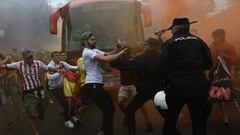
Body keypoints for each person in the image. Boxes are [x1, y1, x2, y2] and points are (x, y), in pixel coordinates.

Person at [158, 18, 212, 135]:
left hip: (177, 87)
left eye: (172, 29)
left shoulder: (168, 44)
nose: (171, 31)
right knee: (199, 122)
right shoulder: (200, 41)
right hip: (198, 87)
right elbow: (209, 64)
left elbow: (161, 68)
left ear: (176, 28)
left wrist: (168, 79)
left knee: (171, 120)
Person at [110, 37, 164, 135]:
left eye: (146, 44)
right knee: (165, 112)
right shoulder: (161, 56)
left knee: (130, 110)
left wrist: (111, 61)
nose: (144, 45)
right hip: (158, 89)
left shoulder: (142, 58)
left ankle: (132, 132)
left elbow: (125, 65)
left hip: (146, 90)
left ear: (151, 47)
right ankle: (175, 128)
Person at [0, 50, 58, 135]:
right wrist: (6, 59)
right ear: (24, 58)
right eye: (28, 58)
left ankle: (40, 112)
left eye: (31, 57)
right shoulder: (18, 64)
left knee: (43, 108)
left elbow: (48, 68)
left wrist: (58, 70)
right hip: (28, 92)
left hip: (40, 89)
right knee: (31, 113)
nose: (30, 60)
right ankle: (36, 131)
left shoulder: (38, 63)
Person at [81, 31, 127, 135]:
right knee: (109, 109)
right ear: (85, 41)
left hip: (95, 85)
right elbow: (105, 59)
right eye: (92, 40)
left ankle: (103, 131)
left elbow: (109, 54)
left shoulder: (94, 50)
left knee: (109, 108)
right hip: (93, 85)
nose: (95, 41)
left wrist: (118, 47)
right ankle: (106, 132)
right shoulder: (87, 52)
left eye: (94, 39)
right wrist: (121, 52)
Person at [110, 46, 154, 132]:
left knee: (141, 104)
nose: (122, 53)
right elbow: (111, 62)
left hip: (134, 85)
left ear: (126, 52)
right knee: (120, 102)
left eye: (123, 51)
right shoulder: (120, 60)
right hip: (124, 85)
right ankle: (128, 116)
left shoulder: (134, 60)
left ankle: (148, 122)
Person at [209, 28, 238, 125]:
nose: (215, 38)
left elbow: (235, 60)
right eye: (214, 37)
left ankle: (226, 115)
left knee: (226, 96)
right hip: (215, 75)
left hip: (226, 75)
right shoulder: (211, 47)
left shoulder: (229, 46)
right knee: (218, 97)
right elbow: (208, 61)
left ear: (223, 36)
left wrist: (226, 56)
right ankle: (224, 116)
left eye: (217, 36)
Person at [47, 51, 80, 128]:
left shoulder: (62, 63)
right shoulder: (50, 65)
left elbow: (72, 67)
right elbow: (49, 77)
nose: (58, 57)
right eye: (56, 56)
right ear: (52, 57)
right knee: (65, 104)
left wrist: (82, 66)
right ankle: (67, 120)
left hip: (63, 87)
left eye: (58, 55)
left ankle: (72, 116)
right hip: (55, 88)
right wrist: (59, 72)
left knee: (71, 100)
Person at [0, 53, 21, 129]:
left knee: (15, 101)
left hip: (11, 85)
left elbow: (15, 69)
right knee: (4, 103)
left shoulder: (8, 63)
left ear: (1, 58)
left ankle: (18, 113)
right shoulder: (4, 62)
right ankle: (9, 121)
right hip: (2, 87)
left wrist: (12, 74)